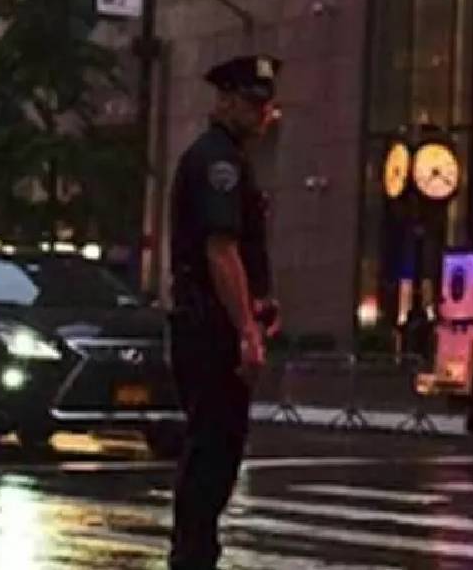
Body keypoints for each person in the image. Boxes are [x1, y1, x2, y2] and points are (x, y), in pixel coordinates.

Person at [167, 54, 282, 570]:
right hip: (209, 327)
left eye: (266, 105)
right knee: (213, 449)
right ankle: (192, 557)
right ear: (227, 101)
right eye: (253, 103)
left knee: (216, 447)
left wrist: (260, 304)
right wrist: (246, 331)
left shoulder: (228, 158)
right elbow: (220, 250)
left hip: (211, 324)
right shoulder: (219, 163)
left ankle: (195, 552)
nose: (263, 114)